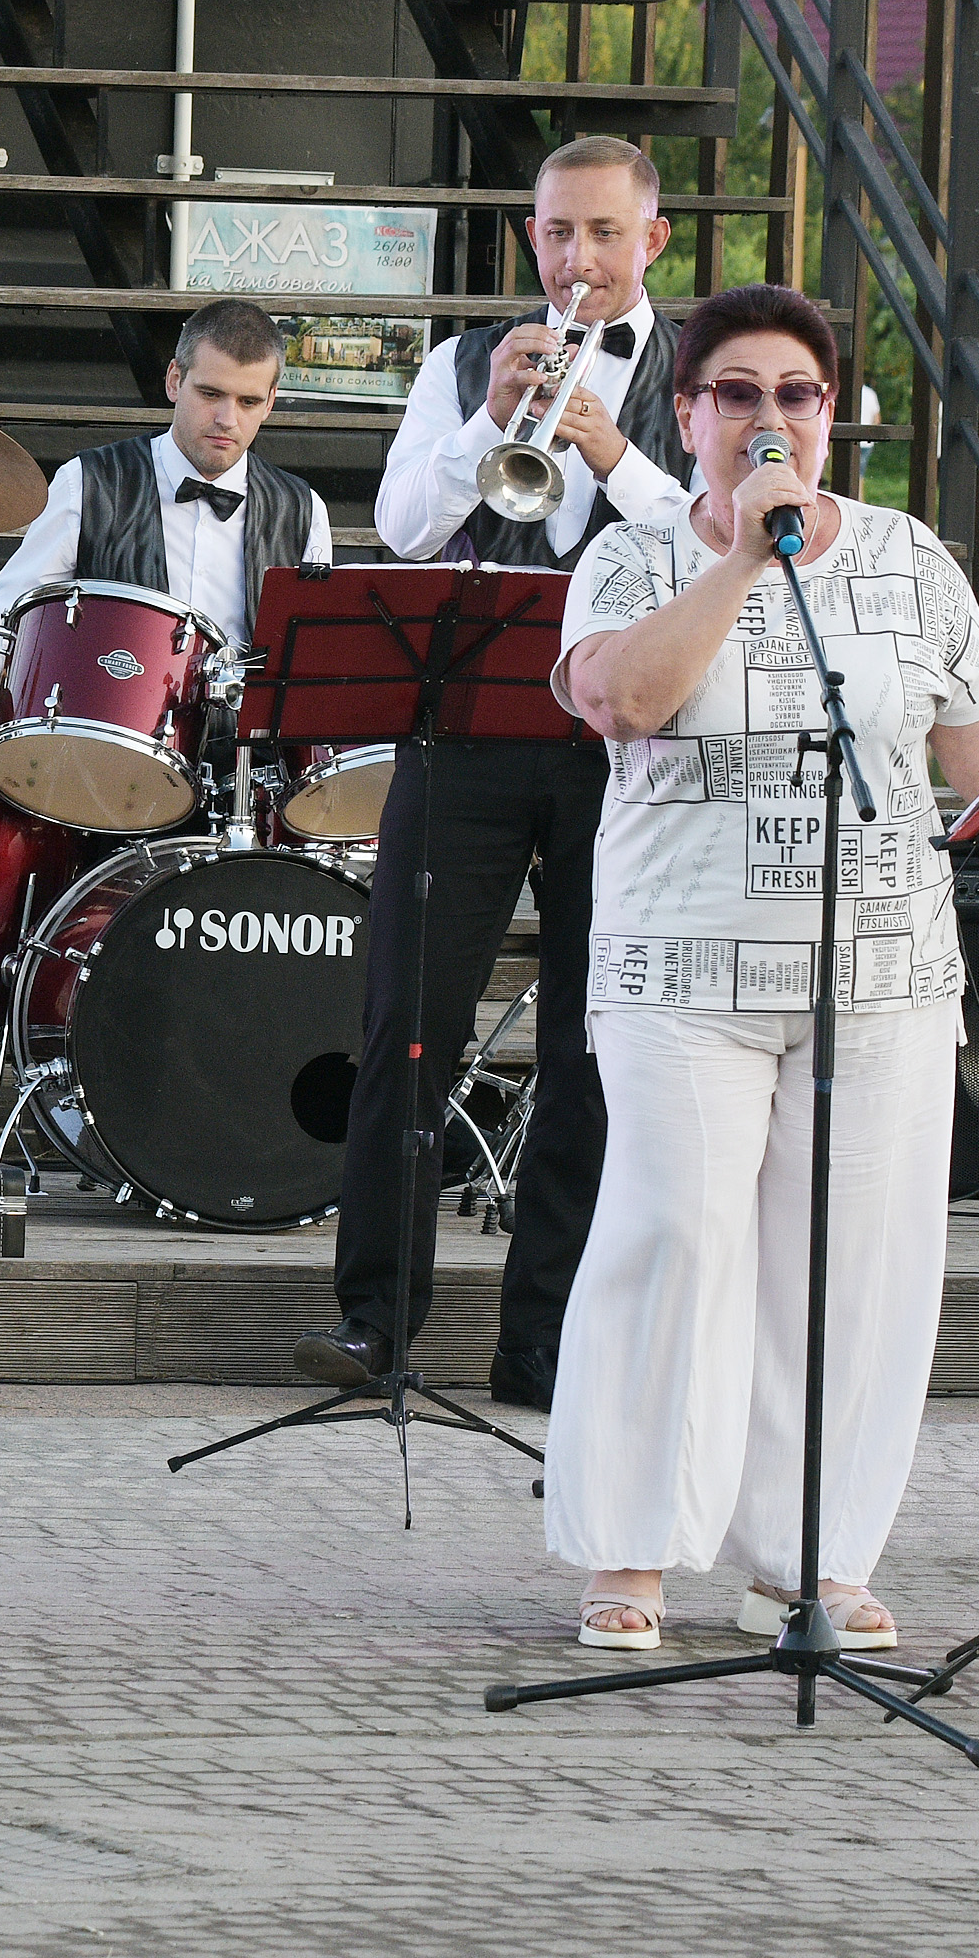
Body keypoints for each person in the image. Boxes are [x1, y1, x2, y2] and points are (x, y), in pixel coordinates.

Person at [539, 282, 979, 1652]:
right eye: (737, 394)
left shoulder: (910, 561)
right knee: (675, 1240)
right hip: (682, 970)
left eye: (797, 394)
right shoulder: (632, 556)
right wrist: (744, 560)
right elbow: (624, 699)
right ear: (688, 411)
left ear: (835, 416)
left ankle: (812, 1557)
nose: (768, 417)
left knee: (858, 1267)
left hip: (883, 975)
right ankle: (636, 1549)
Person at [291, 134, 691, 1412]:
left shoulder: (703, 375)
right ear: (531, 236)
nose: (577, 261)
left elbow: (724, 544)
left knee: (592, 1042)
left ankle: (546, 1339)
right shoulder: (466, 364)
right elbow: (403, 527)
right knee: (403, 1026)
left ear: (655, 241)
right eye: (557, 235)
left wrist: (610, 446)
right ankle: (375, 1323)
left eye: (604, 236)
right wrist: (490, 420)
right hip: (460, 732)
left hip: (626, 746)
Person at [0, 298, 331, 689]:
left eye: (248, 402)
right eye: (210, 393)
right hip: (112, 756)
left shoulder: (302, 510)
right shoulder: (88, 482)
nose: (226, 419)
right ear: (175, 381)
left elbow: (313, 657)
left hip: (245, 769)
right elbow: (16, 609)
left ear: (271, 402)